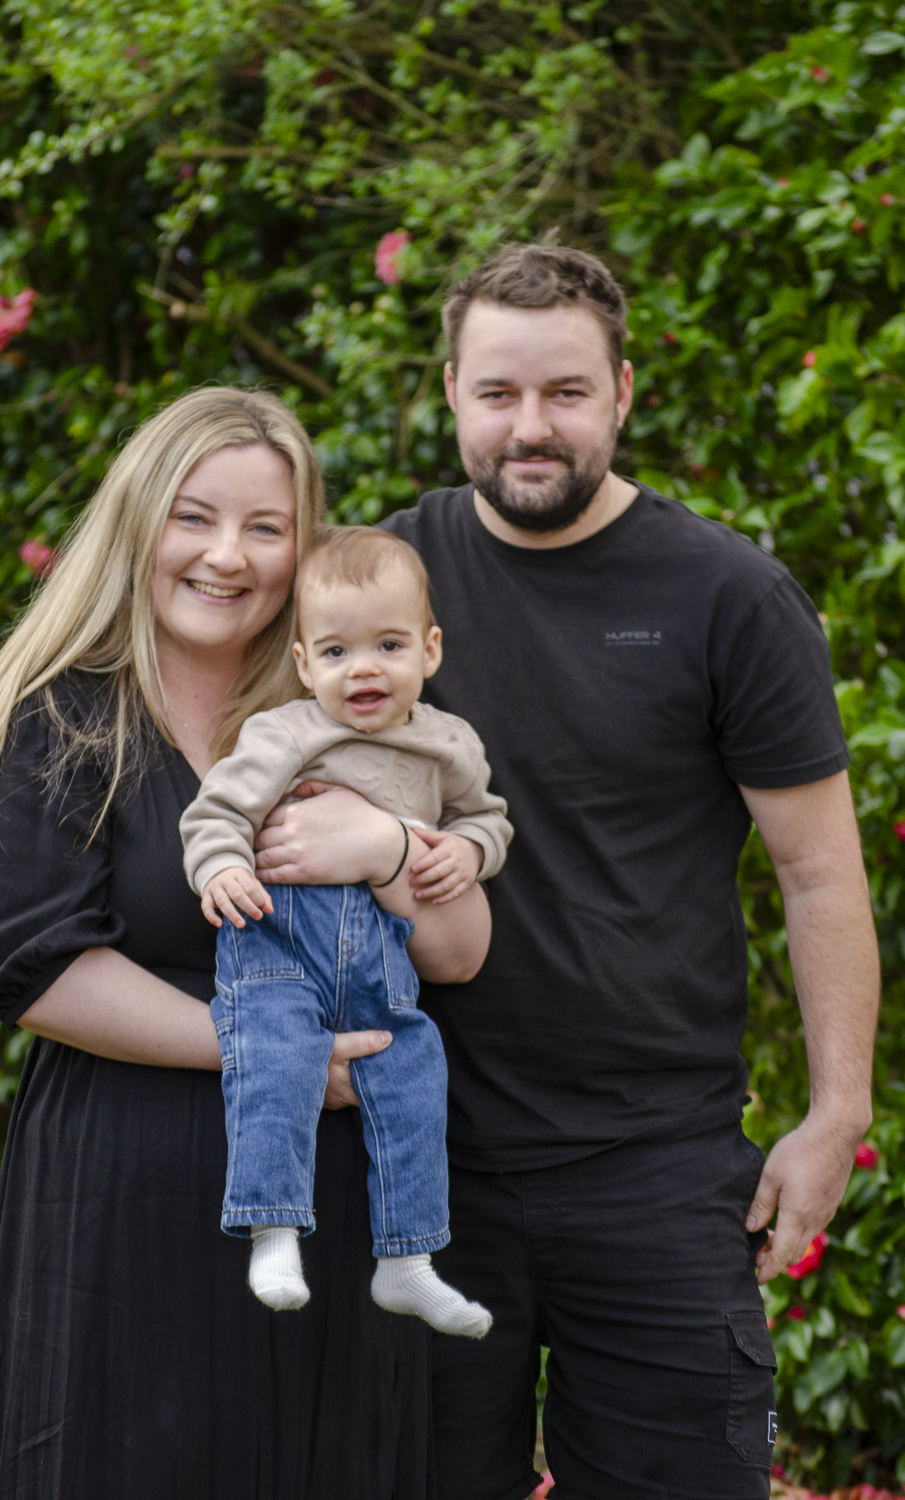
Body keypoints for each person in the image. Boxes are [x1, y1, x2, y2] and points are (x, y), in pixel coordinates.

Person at [256, 244, 879, 1500]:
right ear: (448, 394)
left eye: (564, 393)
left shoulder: (727, 597)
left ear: (622, 393)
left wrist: (836, 1114)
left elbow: (818, 874)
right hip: (414, 1154)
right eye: (497, 394)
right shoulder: (382, 583)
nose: (528, 428)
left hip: (655, 1170)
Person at [0, 386, 491, 1500]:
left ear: (305, 551)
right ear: (139, 523)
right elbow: (28, 961)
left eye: (266, 527)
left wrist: (389, 848)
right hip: (126, 1187)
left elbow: (455, 955)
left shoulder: (346, 713)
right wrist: (271, 1055)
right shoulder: (62, 716)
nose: (226, 556)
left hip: (335, 1196)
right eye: (194, 518)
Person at [180, 525, 511, 1335]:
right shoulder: (284, 733)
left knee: (414, 1081)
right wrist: (219, 866)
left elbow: (488, 819)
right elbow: (216, 811)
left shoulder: (449, 744)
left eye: (388, 645)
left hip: (383, 964)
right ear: (303, 665)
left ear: (430, 650)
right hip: (278, 944)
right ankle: (274, 1229)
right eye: (334, 653)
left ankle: (407, 1261)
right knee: (274, 1067)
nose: (362, 669)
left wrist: (468, 849)